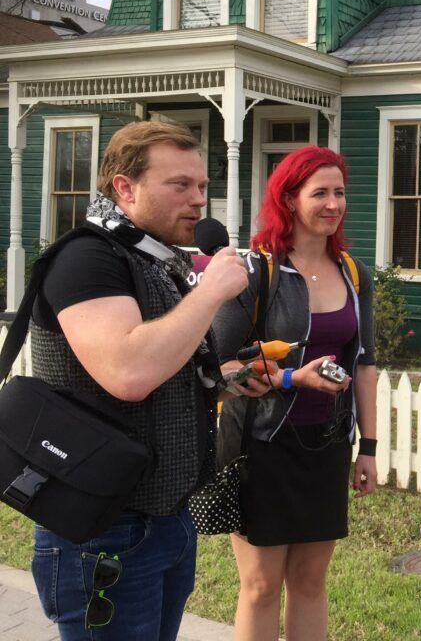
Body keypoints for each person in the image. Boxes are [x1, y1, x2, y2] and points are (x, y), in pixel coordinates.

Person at [28, 121, 270, 640]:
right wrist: (210, 294)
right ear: (124, 187)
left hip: (166, 519)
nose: (198, 200)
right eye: (179, 185)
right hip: (102, 529)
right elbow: (129, 371)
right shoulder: (87, 258)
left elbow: (165, 365)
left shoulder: (158, 261)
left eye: (203, 187)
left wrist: (227, 378)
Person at [211, 145, 378, 641]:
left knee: (310, 581)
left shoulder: (353, 273)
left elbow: (365, 364)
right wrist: (287, 378)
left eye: (340, 192)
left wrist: (367, 447)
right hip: (260, 446)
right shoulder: (254, 272)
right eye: (320, 192)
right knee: (261, 585)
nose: (333, 203)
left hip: (326, 445)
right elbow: (217, 366)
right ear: (288, 198)